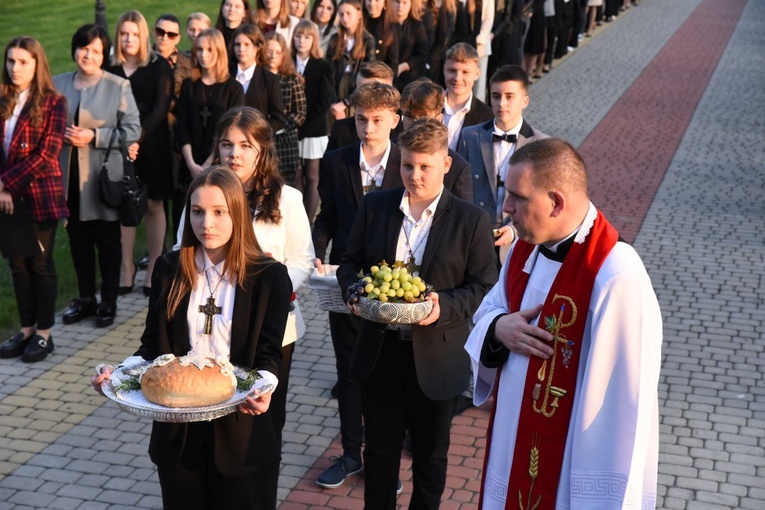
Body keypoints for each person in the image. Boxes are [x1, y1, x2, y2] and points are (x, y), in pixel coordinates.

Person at [464, 138, 662, 509]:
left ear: (556, 202)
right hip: (512, 438)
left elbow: (622, 409)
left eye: (517, 198)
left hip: (569, 463)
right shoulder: (525, 248)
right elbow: (490, 309)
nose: (505, 209)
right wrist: (498, 328)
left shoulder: (616, 275)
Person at [92, 167, 292, 510]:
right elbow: (152, 347)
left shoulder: (269, 277)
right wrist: (119, 373)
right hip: (178, 434)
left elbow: (270, 354)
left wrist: (264, 388)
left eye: (219, 212)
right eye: (197, 212)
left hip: (239, 430)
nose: (206, 224)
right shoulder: (170, 268)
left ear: (238, 215)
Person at [336, 118, 497, 509]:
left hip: (437, 358)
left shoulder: (470, 220)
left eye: (425, 166)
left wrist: (443, 307)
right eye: (408, 165)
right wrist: (355, 293)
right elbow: (349, 263)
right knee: (378, 457)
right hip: (380, 353)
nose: (414, 175)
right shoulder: (376, 206)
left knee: (429, 460)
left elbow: (483, 288)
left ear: (445, 163)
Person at [173, 108, 315, 509]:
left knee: (261, 424)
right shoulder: (203, 194)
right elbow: (180, 253)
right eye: (226, 145)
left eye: (244, 146)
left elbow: (303, 259)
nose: (234, 154)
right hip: (211, 325)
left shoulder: (286, 199)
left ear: (262, 150)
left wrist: (270, 283)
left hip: (272, 329)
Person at [312, 82, 402, 489]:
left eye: (378, 120)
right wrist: (317, 252)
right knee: (348, 371)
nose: (368, 128)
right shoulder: (336, 162)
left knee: (388, 375)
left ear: (394, 121)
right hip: (346, 281)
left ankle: (384, 463)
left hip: (394, 286)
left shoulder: (407, 161)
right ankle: (351, 454)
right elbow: (327, 216)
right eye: (362, 119)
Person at [54, 24, 141, 329]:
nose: (87, 55)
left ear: (104, 55)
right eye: (83, 48)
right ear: (74, 49)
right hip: (68, 181)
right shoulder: (57, 84)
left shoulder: (118, 86)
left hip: (104, 182)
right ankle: (86, 299)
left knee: (108, 244)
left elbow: (132, 131)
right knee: (78, 242)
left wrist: (93, 135)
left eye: (95, 50)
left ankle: (109, 302)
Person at [0, 36, 67, 363]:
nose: (15, 68)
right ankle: (26, 329)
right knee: (17, 264)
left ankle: (44, 334)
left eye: (23, 61)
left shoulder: (54, 102)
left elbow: (47, 154)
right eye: (11, 61)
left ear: (37, 64)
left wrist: (4, 182)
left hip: (40, 196)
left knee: (39, 263)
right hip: (7, 199)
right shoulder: (2, 98)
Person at [106, 10, 174, 297]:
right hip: (117, 147)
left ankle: (153, 268)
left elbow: (161, 108)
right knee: (125, 205)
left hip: (153, 145)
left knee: (155, 204)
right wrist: (124, 141)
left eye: (134, 33)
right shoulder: (109, 68)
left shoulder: (159, 66)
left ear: (143, 36)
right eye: (124, 33)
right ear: (118, 36)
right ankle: (126, 267)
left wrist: (136, 138)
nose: (129, 38)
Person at [458, 65, 547, 256]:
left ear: (525, 101)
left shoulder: (541, 144)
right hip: (475, 241)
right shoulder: (469, 136)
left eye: (509, 96)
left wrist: (514, 230)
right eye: (496, 96)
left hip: (520, 243)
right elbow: (459, 190)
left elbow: (542, 199)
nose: (502, 103)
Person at [175, 28, 244, 232]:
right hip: (189, 164)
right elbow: (182, 127)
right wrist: (191, 164)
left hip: (219, 164)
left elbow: (230, 132)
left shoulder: (233, 89)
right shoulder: (189, 86)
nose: (203, 55)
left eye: (209, 50)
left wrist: (207, 164)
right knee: (184, 221)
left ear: (220, 52)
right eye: (200, 50)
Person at [399, 78, 472, 202]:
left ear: (439, 119)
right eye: (409, 116)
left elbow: (462, 216)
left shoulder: (458, 168)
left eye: (423, 117)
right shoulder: (389, 153)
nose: (415, 124)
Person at [292, 19, 334, 223]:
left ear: (314, 40)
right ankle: (297, 218)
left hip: (313, 130)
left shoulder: (321, 66)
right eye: (298, 36)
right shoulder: (288, 63)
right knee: (296, 176)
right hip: (291, 129)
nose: (302, 41)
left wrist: (304, 125)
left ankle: (308, 222)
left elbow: (324, 102)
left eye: (307, 37)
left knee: (312, 176)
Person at [326, 61, 398, 152]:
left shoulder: (403, 132)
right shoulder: (341, 129)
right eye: (362, 90)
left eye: (376, 91)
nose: (367, 96)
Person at [264, 32, 306, 186]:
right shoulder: (258, 78)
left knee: (285, 187)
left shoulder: (291, 80)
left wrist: (279, 127)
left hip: (286, 141)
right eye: (269, 51)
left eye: (277, 52)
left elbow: (300, 112)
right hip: (262, 141)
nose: (272, 55)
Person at [231, 24, 288, 134]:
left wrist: (260, 135)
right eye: (237, 44)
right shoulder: (225, 75)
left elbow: (279, 118)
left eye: (247, 44)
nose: (241, 49)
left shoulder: (270, 80)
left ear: (258, 47)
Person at [326, 0, 376, 120]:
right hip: (335, 93)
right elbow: (328, 74)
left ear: (359, 14)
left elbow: (368, 76)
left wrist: (345, 103)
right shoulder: (334, 40)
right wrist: (334, 103)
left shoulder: (367, 40)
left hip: (356, 92)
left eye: (349, 13)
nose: (345, 18)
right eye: (341, 14)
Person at [442, 43, 492, 151]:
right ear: (444, 69)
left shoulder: (486, 116)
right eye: (452, 71)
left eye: (465, 72)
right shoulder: (429, 105)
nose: (457, 78)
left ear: (477, 74)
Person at [392, 0, 428, 91]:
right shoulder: (386, 24)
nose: (400, 6)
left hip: (410, 78)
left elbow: (421, 55)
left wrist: (403, 66)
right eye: (397, 2)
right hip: (388, 76)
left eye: (404, 2)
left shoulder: (418, 26)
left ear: (411, 4)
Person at [364, 0, 399, 71]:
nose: (372, 4)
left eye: (377, 0)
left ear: (385, 3)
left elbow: (393, 62)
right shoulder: (357, 23)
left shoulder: (390, 27)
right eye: (369, 0)